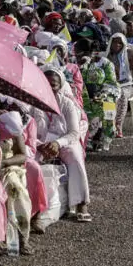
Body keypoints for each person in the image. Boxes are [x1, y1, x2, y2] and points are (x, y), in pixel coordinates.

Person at [39, 67, 90, 222]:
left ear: (60, 85)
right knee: (29, 158)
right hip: (41, 144)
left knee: (75, 156)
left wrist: (57, 143)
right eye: (46, 84)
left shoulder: (67, 103)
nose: (50, 88)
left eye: (53, 85)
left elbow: (74, 132)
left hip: (65, 141)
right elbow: (30, 129)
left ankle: (81, 203)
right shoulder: (34, 102)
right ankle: (36, 208)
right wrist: (41, 145)